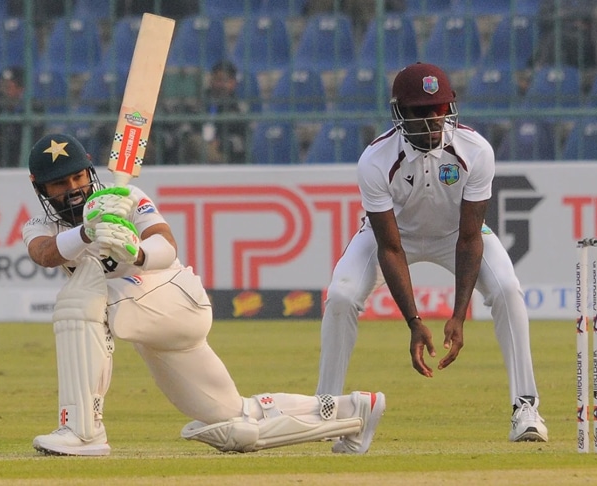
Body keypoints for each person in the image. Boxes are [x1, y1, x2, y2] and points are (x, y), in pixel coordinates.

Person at [22, 133, 385, 456]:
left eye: (77, 177)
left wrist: (137, 252)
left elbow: (167, 245)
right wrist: (88, 231)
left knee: (80, 299)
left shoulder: (126, 196)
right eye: (59, 183)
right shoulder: (40, 225)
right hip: (148, 325)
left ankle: (83, 431)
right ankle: (350, 412)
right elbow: (45, 254)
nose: (73, 187)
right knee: (232, 422)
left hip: (176, 298)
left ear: (89, 172)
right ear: (42, 190)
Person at [315, 62, 548, 443]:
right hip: (392, 235)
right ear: (399, 113)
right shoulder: (375, 160)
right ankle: (325, 410)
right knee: (340, 296)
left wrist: (458, 315)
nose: (433, 121)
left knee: (507, 289)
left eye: (439, 110)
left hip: (456, 232)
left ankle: (526, 408)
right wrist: (413, 321)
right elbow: (390, 247)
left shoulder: (476, 151)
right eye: (421, 112)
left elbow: (470, 239)